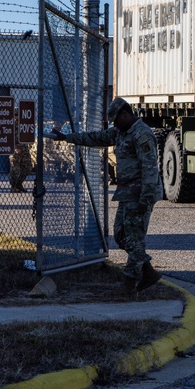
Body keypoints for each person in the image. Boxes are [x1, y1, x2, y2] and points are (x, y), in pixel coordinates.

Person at [47, 97, 163, 293]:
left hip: (140, 194)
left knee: (134, 238)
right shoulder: (121, 132)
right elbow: (96, 137)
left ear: (125, 114)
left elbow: (150, 168)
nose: (114, 125)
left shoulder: (142, 134)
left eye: (116, 120)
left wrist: (145, 198)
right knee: (120, 235)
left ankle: (129, 283)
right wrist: (67, 138)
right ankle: (148, 271)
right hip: (127, 193)